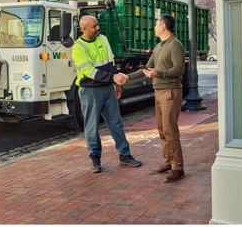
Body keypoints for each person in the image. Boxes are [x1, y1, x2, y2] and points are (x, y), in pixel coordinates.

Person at [71, 15, 142, 173]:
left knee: (116, 123)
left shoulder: (103, 39)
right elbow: (90, 71)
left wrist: (115, 83)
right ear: (84, 29)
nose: (98, 28)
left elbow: (111, 62)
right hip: (90, 91)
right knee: (91, 126)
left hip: (108, 88)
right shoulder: (78, 47)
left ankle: (125, 155)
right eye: (94, 26)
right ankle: (95, 158)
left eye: (97, 25)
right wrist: (113, 78)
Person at [128, 14, 186, 183]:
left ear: (163, 26)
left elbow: (179, 69)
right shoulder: (159, 46)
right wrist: (127, 77)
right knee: (162, 129)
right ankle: (167, 162)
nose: (154, 27)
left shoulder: (175, 45)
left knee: (170, 130)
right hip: (159, 91)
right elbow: (147, 68)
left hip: (170, 92)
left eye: (156, 24)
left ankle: (178, 168)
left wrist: (158, 73)